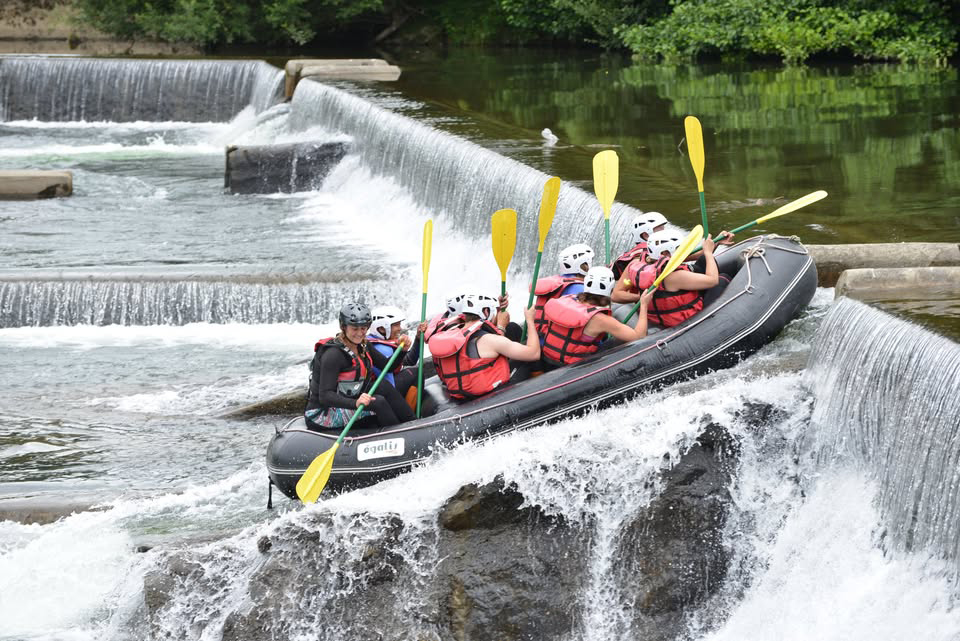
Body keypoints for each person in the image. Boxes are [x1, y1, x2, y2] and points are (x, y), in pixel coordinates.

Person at [304, 302, 416, 431]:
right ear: (343, 327)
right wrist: (355, 403)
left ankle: (412, 422)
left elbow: (387, 367)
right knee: (377, 402)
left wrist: (402, 351)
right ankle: (398, 433)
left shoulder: (363, 344)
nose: (359, 333)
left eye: (363, 328)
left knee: (382, 385)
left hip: (347, 398)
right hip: (322, 414)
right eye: (354, 329)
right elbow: (325, 396)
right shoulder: (333, 355)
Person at [427, 293, 540, 400]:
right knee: (527, 361)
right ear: (486, 312)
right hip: (492, 394)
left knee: (512, 328)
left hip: (466, 392)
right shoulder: (490, 340)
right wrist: (530, 320)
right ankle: (540, 388)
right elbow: (534, 354)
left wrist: (498, 311)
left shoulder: (456, 333)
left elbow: (487, 328)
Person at [539, 266, 654, 369]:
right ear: (610, 289)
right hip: (572, 367)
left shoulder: (566, 299)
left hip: (548, 359)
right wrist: (644, 304)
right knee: (619, 340)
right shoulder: (600, 319)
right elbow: (639, 337)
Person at [621, 230, 721, 329]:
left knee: (703, 261)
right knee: (722, 279)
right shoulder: (674, 276)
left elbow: (693, 256)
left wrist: (716, 242)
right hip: (681, 320)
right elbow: (713, 280)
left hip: (659, 315)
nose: (682, 251)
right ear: (664, 252)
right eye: (678, 248)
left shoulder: (643, 265)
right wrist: (708, 253)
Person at [531, 243, 594, 337]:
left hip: (539, 337)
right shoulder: (581, 289)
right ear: (583, 265)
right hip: (560, 342)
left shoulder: (555, 283)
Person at [367, 305, 427, 398]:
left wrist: (418, 338)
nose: (400, 328)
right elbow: (390, 386)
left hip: (384, 389)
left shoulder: (377, 341)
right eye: (396, 325)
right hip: (385, 393)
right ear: (381, 328)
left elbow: (409, 361)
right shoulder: (382, 349)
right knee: (416, 373)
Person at [611, 212, 667, 279]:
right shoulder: (645, 256)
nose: (666, 235)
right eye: (661, 232)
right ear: (646, 236)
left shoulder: (633, 252)